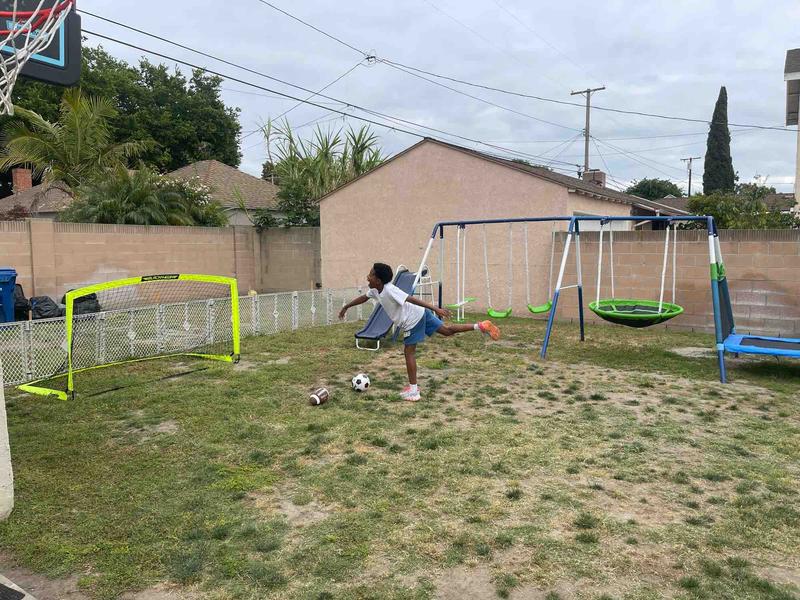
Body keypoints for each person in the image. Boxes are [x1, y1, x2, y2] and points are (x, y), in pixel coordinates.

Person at [339, 262, 500, 402]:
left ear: (378, 280)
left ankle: (414, 391)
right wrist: (347, 306)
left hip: (413, 320)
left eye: (370, 275)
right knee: (446, 331)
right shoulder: (375, 290)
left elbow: (411, 298)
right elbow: (364, 297)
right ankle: (480, 326)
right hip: (420, 313)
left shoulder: (389, 290)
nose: (368, 277)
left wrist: (435, 308)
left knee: (409, 352)